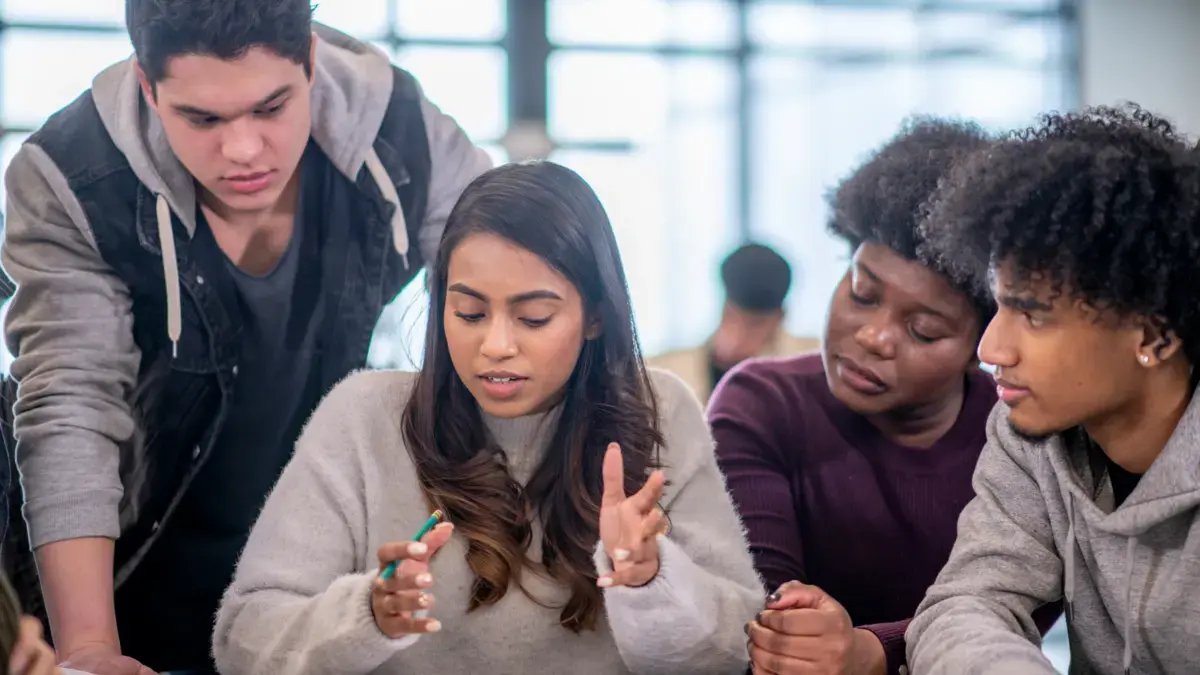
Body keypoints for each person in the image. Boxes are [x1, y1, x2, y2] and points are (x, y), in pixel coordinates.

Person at [0, 0, 491, 671]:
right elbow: (71, 410)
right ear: (147, 84)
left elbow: (511, 289)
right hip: (130, 576)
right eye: (201, 118)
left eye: (271, 107)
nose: (243, 150)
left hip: (314, 589)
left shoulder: (399, 131)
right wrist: (88, 649)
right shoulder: (73, 178)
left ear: (311, 59)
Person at [213, 161, 763, 674]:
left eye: (534, 317)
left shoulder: (656, 410)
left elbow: (737, 646)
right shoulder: (364, 417)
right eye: (469, 313)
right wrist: (366, 615)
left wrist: (650, 579)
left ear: (595, 316)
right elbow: (244, 638)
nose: (495, 346)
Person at [713, 119, 1058, 675]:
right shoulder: (760, 403)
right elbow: (759, 612)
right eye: (861, 293)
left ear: (983, 343)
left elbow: (1009, 614)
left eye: (923, 330)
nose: (873, 336)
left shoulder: (1021, 435)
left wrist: (869, 649)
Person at [906, 106, 1200, 674]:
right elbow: (966, 604)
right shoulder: (1029, 432)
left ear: (1154, 334)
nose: (991, 348)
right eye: (998, 305)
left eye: (1032, 315)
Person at [649, 243, 818, 402]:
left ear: (779, 320)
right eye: (731, 316)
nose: (738, 333)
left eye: (754, 324)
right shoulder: (663, 371)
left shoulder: (811, 369)